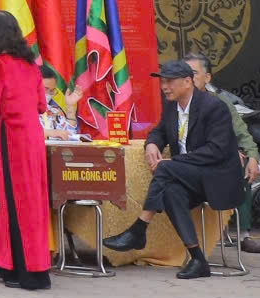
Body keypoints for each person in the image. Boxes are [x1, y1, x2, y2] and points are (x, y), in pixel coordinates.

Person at [102, 60, 243, 279]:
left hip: (216, 176)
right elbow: (159, 132)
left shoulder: (214, 107)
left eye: (169, 82)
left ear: (187, 82)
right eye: (162, 82)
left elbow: (216, 150)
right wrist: (152, 144)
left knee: (166, 169)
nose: (164, 87)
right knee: (170, 192)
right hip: (189, 176)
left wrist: (175, 162)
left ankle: (139, 229)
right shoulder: (171, 106)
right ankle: (198, 259)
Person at [0, 9, 52, 291]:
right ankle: (33, 268)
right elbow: (41, 105)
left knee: (15, 205)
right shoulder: (31, 65)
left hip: (11, 139)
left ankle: (21, 271)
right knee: (34, 204)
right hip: (34, 139)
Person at [188, 53, 260, 255]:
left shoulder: (219, 102)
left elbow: (241, 133)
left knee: (242, 167)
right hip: (190, 160)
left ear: (207, 77)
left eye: (193, 73)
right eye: (184, 73)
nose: (188, 78)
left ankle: (243, 235)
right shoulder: (175, 100)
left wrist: (253, 157)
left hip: (217, 160)